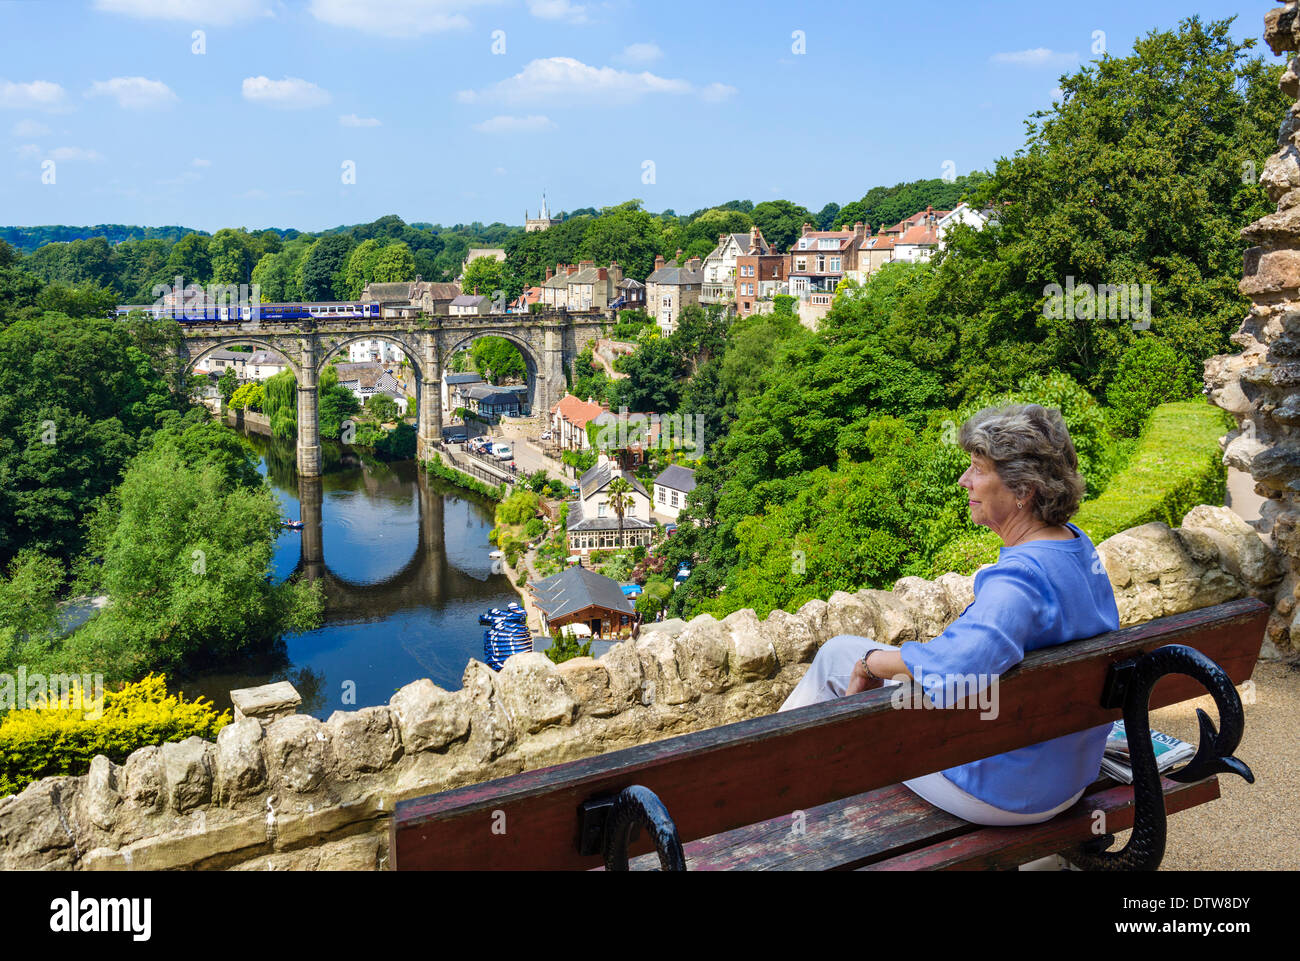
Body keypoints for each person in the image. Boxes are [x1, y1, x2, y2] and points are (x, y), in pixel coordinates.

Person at [779, 404, 1119, 828]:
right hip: (1066, 776)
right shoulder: (1076, 545)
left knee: (837, 658)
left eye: (977, 469)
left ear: (1023, 490)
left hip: (1001, 791)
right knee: (845, 654)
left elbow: (959, 666)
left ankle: (766, 783)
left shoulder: (1020, 580)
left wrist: (874, 663)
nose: (964, 480)